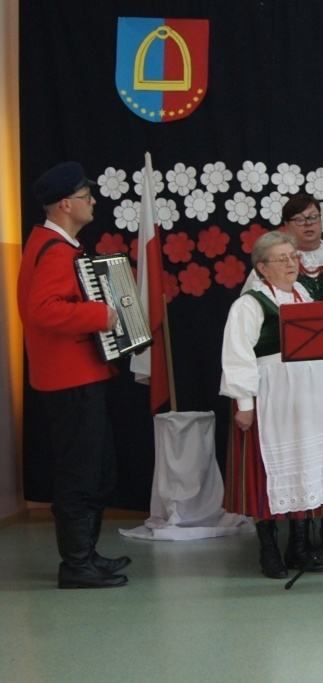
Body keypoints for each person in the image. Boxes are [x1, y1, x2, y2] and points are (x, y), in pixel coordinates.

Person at [18, 161, 130, 589]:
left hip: (77, 375)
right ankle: (77, 564)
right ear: (66, 204)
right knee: (81, 473)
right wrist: (101, 315)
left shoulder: (55, 245)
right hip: (70, 379)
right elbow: (42, 311)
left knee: (96, 469)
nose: (93, 201)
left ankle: (87, 555)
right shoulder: (53, 250)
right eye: (86, 196)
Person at [221, 231, 323, 579]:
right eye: (282, 259)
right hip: (273, 394)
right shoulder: (250, 304)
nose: (291, 263)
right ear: (262, 268)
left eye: (293, 257)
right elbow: (238, 355)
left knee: (307, 462)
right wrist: (244, 403)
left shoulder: (305, 295)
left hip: (311, 394)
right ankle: (269, 549)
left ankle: (299, 546)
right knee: (269, 471)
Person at [242, 194, 323, 548]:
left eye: (314, 217)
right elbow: (247, 340)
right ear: (287, 227)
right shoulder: (257, 290)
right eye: (300, 219)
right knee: (295, 452)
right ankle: (291, 541)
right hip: (284, 381)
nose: (309, 224)